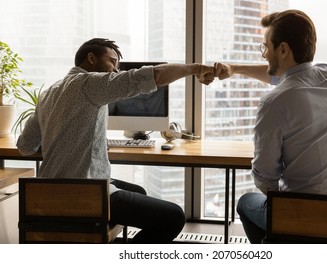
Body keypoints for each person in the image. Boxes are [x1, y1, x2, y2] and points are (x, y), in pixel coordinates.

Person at [16, 38, 215, 244]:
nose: (115, 71)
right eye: (112, 62)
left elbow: (25, 146)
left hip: (48, 193)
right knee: (173, 217)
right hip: (84, 193)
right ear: (91, 58)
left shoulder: (49, 92)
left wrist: (60, 138)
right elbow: (152, 76)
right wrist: (196, 68)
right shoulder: (90, 83)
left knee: (139, 192)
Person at [214, 9, 327, 243]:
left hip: (303, 220)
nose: (264, 54)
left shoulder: (274, 102)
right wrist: (235, 69)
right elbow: (290, 77)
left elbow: (265, 179)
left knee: (246, 203)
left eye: (266, 47)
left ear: (282, 49)